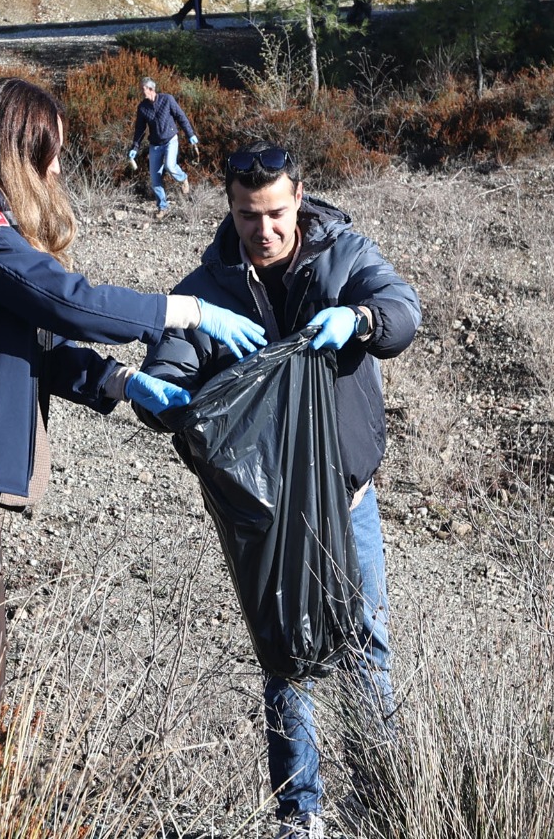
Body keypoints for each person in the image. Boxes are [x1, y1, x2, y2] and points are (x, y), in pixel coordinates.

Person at [0, 77, 266, 714]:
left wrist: (123, 382)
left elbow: (37, 340)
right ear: (18, 148)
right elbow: (64, 300)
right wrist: (185, 311)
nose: (55, 169)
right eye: (49, 153)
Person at [137, 140, 421, 839]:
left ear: (298, 198)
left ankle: (382, 800)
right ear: (229, 210)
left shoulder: (344, 255)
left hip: (347, 496)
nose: (260, 230)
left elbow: (401, 310)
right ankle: (301, 814)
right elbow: (170, 361)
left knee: (365, 645)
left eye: (271, 213)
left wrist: (359, 321)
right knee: (284, 655)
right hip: (266, 513)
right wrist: (163, 393)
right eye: (244, 216)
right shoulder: (208, 287)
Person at [127, 77, 198, 214]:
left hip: (171, 140)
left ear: (151, 89)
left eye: (143, 89)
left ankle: (183, 178)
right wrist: (134, 148)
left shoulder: (167, 99)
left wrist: (191, 134)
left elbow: (181, 117)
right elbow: (140, 130)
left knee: (170, 165)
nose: (141, 92)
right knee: (155, 178)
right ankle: (162, 207)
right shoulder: (142, 107)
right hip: (155, 145)